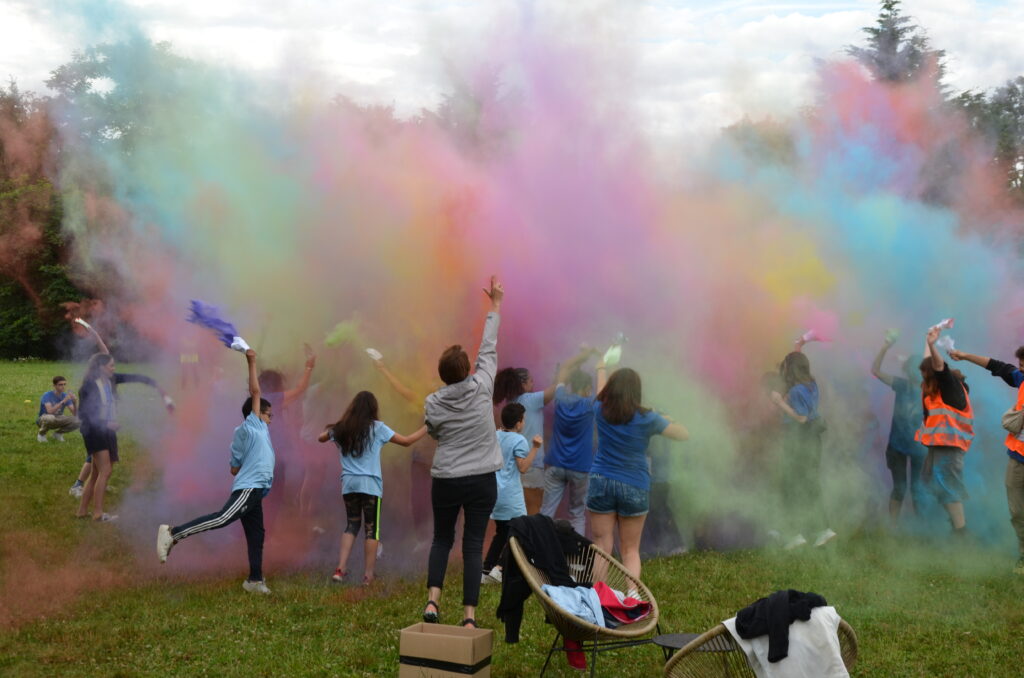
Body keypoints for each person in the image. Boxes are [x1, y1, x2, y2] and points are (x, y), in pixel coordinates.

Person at [156, 349, 275, 594]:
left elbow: (233, 468)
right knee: (222, 518)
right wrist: (251, 361)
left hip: (256, 490)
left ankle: (254, 581)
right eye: (268, 414)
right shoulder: (252, 426)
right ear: (256, 414)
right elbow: (255, 391)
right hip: (250, 488)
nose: (271, 419)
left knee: (256, 535)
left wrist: (248, 462)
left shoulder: (249, 434)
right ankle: (173, 533)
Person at [422, 276, 504, 629]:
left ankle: (432, 603)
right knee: (473, 545)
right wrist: (495, 306)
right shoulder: (483, 386)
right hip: (482, 480)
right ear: (468, 370)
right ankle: (469, 617)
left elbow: (433, 431)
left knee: (442, 539)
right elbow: (489, 347)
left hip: (447, 480)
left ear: (442, 376)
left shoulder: (432, 403)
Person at [587, 366, 688, 579]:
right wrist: (667, 418)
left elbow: (600, 389)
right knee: (630, 550)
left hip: (601, 481)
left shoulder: (599, 409)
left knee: (602, 546)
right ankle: (632, 599)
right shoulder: (648, 417)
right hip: (634, 485)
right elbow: (683, 435)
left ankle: (597, 600)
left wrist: (602, 368)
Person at [317, 391, 427, 585]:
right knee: (372, 530)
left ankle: (340, 569)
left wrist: (336, 429)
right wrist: (427, 427)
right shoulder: (378, 428)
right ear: (373, 409)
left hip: (349, 484)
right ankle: (368, 576)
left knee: (351, 525)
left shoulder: (343, 428)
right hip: (370, 485)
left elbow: (321, 437)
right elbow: (407, 441)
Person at [75, 325, 173, 522]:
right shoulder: (89, 386)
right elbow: (84, 414)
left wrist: (158, 387)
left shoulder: (111, 380)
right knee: (105, 471)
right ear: (101, 368)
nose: (114, 368)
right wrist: (106, 424)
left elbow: (137, 377)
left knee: (95, 472)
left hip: (106, 429)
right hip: (95, 431)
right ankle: (98, 513)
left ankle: (82, 511)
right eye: (111, 366)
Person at [493, 349, 594, 515]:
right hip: (531, 466)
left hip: (511, 466)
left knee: (515, 513)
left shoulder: (510, 404)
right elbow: (556, 389)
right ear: (523, 384)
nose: (533, 384)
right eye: (531, 381)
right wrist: (574, 363)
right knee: (533, 513)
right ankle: (530, 541)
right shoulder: (531, 400)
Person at [948, 344, 1023, 570]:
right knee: (1017, 512)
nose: (1022, 371)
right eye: (1021, 366)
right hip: (1018, 458)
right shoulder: (1021, 380)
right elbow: (997, 366)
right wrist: (964, 355)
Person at [770, 351, 836, 549]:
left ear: (791, 369)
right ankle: (820, 530)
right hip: (813, 441)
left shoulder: (798, 390)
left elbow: (801, 418)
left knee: (791, 486)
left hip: (800, 440)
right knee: (808, 484)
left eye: (785, 367)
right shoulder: (811, 385)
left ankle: (793, 535)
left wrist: (780, 403)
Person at [914, 326, 973, 536]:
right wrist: (926, 339)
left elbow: (937, 365)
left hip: (950, 446)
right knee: (931, 482)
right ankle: (957, 525)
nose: (923, 379)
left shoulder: (949, 384)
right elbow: (929, 363)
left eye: (925, 375)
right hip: (940, 445)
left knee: (948, 488)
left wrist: (932, 343)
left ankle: (961, 532)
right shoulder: (936, 386)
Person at [871, 333, 928, 523]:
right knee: (902, 488)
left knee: (916, 489)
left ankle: (920, 528)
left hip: (919, 447)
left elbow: (875, 371)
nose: (916, 373)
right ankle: (895, 529)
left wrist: (887, 347)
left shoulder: (930, 390)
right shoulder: (902, 385)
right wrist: (885, 347)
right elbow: (875, 371)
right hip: (899, 447)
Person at [482, 402, 541, 583]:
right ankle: (500, 568)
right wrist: (535, 448)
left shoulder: (495, 435)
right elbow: (522, 467)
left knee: (501, 532)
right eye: (523, 419)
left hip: (495, 493)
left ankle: (486, 570)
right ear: (518, 423)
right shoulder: (519, 440)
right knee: (520, 532)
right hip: (511, 496)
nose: (524, 423)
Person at [540, 363, 599, 536]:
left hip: (556, 464)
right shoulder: (590, 404)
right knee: (577, 514)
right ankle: (576, 559)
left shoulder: (560, 398)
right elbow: (604, 394)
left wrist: (582, 357)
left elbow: (564, 371)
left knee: (546, 513)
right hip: (581, 468)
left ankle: (537, 553)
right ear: (588, 388)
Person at [37, 375, 80, 443]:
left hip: (58, 417)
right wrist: (63, 401)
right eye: (60, 384)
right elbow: (50, 411)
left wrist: (74, 403)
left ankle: (58, 434)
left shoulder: (65, 396)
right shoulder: (47, 395)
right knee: (50, 418)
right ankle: (41, 434)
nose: (63, 386)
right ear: (54, 386)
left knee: (79, 420)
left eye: (64, 384)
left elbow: (75, 414)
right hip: (44, 418)